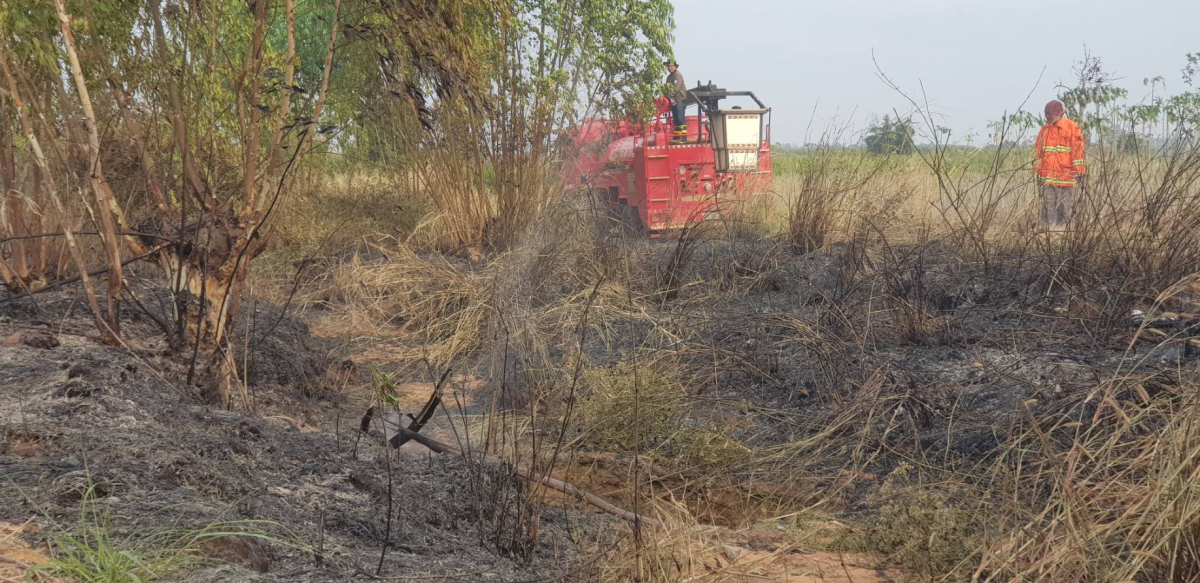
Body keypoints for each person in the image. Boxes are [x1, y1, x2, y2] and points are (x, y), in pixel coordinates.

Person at [1033, 99, 1087, 230]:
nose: (1046, 117)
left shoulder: (1072, 127)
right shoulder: (1045, 129)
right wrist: (1037, 171)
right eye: (1046, 114)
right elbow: (1038, 152)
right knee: (1047, 203)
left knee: (1065, 205)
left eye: (1049, 114)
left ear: (1058, 114)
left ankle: (1065, 230)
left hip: (1066, 175)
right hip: (1047, 175)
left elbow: (1078, 151)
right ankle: (1048, 229)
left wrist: (1079, 171)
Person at [664, 60, 687, 143]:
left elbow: (675, 89)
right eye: (668, 66)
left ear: (675, 67)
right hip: (673, 101)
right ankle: (677, 137)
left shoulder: (678, 75)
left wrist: (667, 96)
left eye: (671, 66)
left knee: (681, 118)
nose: (669, 68)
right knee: (676, 119)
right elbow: (666, 88)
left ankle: (684, 138)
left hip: (680, 99)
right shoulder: (669, 77)